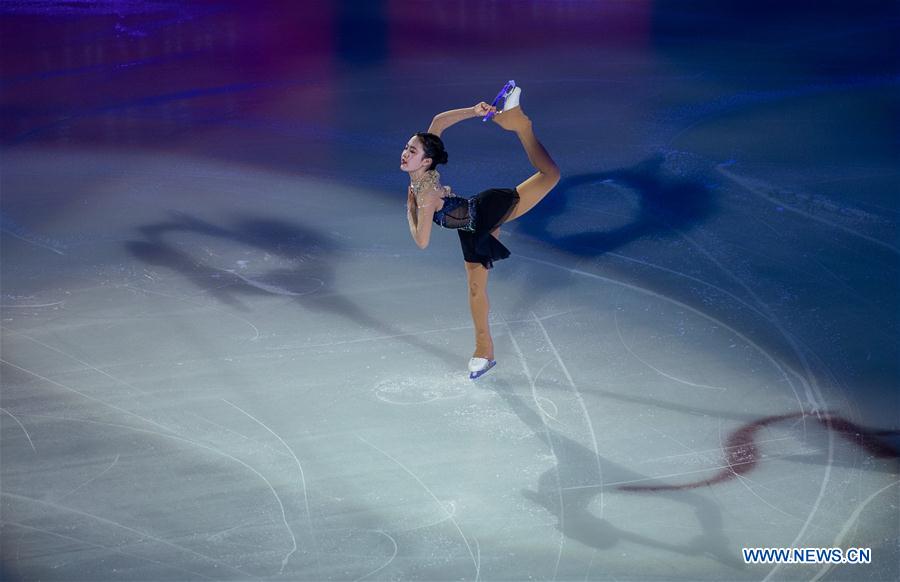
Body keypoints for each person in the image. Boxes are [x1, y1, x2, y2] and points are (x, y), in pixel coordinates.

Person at [402, 84, 560, 379]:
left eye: (412, 150)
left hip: (486, 209)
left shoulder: (425, 196)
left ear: (425, 161)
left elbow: (421, 241)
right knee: (476, 290)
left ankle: (522, 126)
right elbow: (438, 122)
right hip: (472, 229)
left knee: (550, 175)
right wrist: (473, 111)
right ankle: (484, 353)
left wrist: (409, 210)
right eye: (406, 148)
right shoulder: (423, 171)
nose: (405, 153)